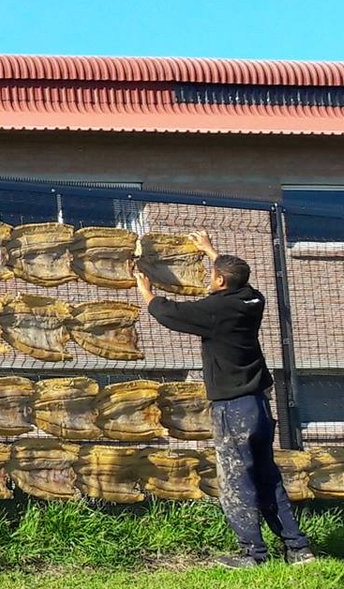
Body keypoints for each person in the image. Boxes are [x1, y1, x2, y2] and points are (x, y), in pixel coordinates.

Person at [134, 231, 315, 568]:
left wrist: (146, 292)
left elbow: (169, 314)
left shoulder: (216, 311)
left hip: (233, 409)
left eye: (212, 275)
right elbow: (234, 278)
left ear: (220, 281)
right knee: (267, 475)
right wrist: (209, 250)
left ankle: (253, 554)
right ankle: (298, 549)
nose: (208, 278)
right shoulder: (253, 300)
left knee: (236, 479)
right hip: (260, 404)